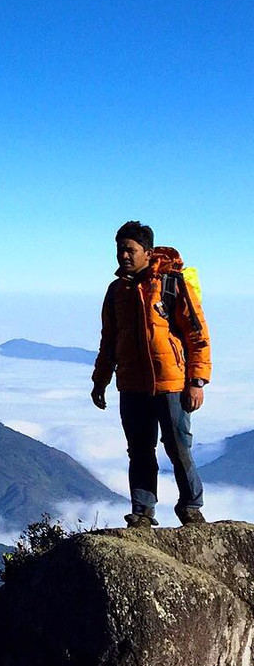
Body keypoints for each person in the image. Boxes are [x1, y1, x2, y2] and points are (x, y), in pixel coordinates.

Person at [91, 220, 212, 528]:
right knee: (140, 450)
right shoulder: (116, 291)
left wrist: (197, 381)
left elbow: (197, 335)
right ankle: (143, 511)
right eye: (120, 250)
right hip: (132, 385)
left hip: (171, 382)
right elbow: (109, 340)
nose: (123, 256)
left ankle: (191, 506)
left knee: (178, 447)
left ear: (147, 252)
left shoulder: (171, 283)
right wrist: (100, 381)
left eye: (130, 250)